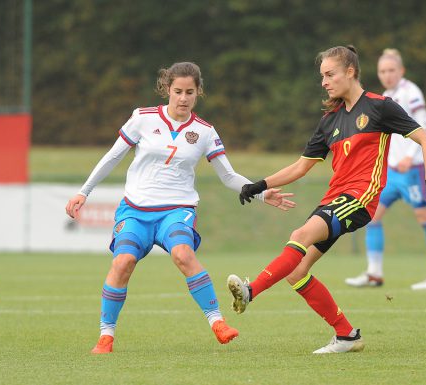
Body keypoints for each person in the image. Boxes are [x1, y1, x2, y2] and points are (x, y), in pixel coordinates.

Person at [226, 45, 426, 354]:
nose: (324, 82)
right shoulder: (329, 120)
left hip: (361, 198)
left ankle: (251, 291)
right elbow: (301, 166)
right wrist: (259, 185)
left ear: (350, 72)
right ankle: (347, 335)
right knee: (296, 271)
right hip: (334, 199)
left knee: (299, 235)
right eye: (322, 76)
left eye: (330, 74)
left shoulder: (380, 107)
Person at [66, 62, 295, 354]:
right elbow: (112, 157)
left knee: (182, 254)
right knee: (122, 263)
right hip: (135, 209)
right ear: (167, 90)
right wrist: (83, 192)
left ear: (198, 92)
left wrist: (262, 193)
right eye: (178, 91)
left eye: (190, 92)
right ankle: (106, 336)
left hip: (177, 209)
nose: (183, 98)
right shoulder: (142, 119)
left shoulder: (205, 131)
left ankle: (218, 323)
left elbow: (227, 175)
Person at [345, 48, 426, 290]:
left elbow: (425, 124)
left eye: (391, 70)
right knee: (371, 216)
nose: (387, 75)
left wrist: (411, 156)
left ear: (401, 71)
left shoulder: (410, 92)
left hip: (412, 171)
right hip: (391, 173)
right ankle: (374, 273)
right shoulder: (386, 96)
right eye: (382, 71)